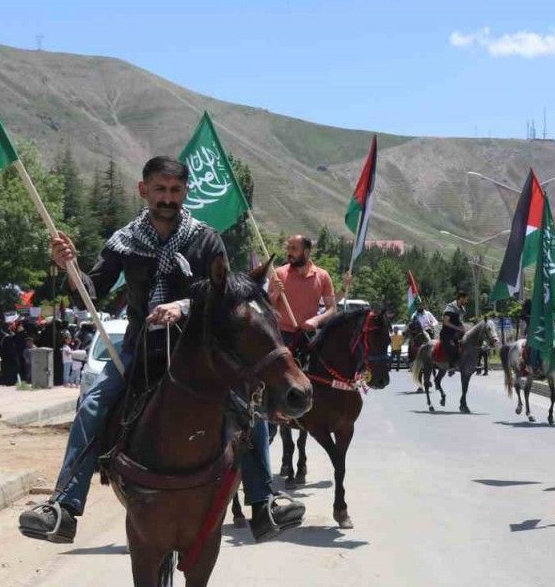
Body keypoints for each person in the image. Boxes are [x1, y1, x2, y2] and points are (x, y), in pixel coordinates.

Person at [18, 156, 303, 545]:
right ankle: (64, 506)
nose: (167, 198)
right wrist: (69, 266)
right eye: (160, 190)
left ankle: (264, 501)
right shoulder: (124, 241)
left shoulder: (206, 238)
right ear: (144, 190)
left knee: (249, 406)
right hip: (139, 348)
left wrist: (183, 306)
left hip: (197, 352)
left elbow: (225, 297)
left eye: (175, 190)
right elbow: (94, 287)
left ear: (186, 192)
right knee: (91, 405)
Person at [266, 233, 343, 481]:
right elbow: (265, 306)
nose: (289, 251)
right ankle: (272, 418)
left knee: (324, 373)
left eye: (294, 248)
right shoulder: (278, 274)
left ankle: (324, 413)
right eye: (288, 247)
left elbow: (332, 308)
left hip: (309, 335)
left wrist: (316, 320)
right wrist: (275, 295)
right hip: (283, 336)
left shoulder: (322, 276)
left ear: (307, 251)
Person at [440, 291, 470, 375]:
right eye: (466, 299)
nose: (467, 301)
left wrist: (466, 328)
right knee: (452, 346)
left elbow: (461, 321)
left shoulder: (462, 308)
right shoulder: (450, 307)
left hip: (458, 332)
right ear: (461, 298)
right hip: (447, 333)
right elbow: (446, 322)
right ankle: (451, 366)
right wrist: (457, 328)